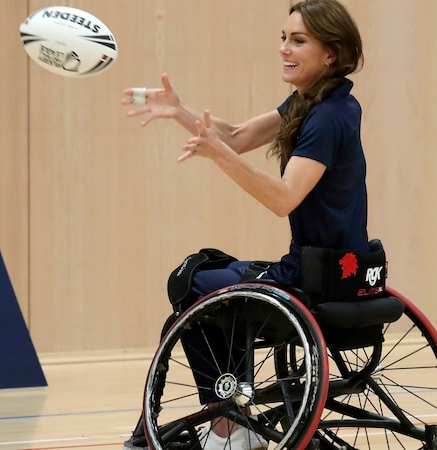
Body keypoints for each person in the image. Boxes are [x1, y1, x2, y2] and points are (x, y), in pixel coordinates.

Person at [121, 1, 366, 448]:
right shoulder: (319, 102)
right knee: (211, 277)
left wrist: (219, 156)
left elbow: (284, 197)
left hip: (311, 278)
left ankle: (229, 428)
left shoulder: (327, 118)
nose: (284, 49)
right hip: (339, 269)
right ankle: (233, 423)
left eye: (298, 40)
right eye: (283, 37)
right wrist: (180, 112)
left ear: (330, 53)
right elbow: (236, 136)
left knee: (193, 283)